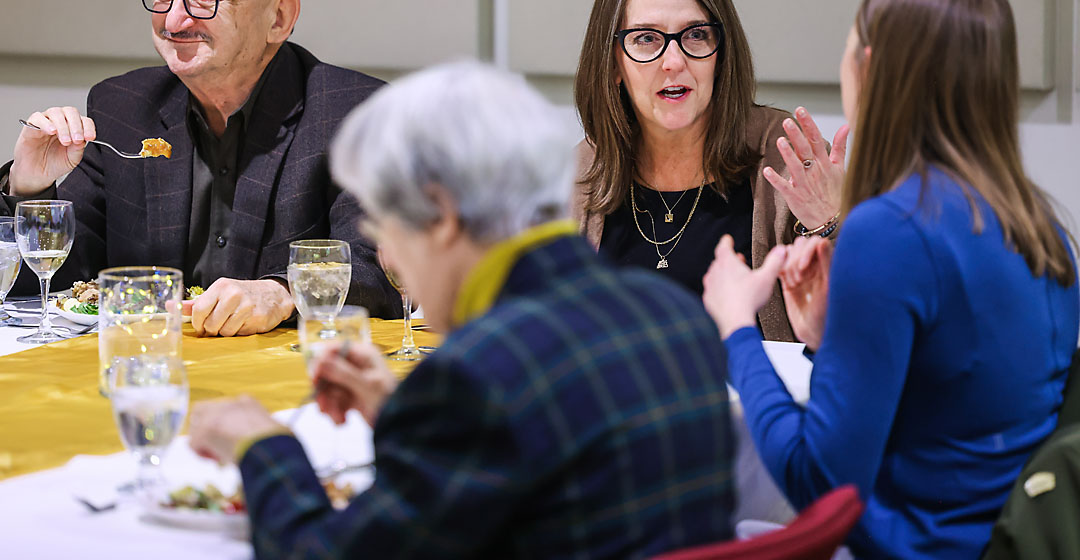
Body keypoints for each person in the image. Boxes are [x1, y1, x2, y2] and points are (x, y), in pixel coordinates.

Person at [189, 62, 737, 559]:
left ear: (441, 215)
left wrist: (260, 446)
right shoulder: (675, 313)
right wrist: (404, 415)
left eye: (385, 229)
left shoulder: (475, 378)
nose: (389, 258)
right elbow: (553, 468)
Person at [703, 0, 1079, 558]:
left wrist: (737, 328)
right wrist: (830, 338)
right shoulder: (1044, 229)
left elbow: (818, 483)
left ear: (870, 68)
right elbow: (952, 408)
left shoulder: (890, 233)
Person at [0, 0, 398, 334]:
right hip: (146, 360)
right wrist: (29, 189)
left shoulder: (354, 114)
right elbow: (44, 282)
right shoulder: (123, 108)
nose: (173, 20)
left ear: (279, 17)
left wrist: (281, 292)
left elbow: (384, 268)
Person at [571, 0, 847, 341]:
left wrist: (831, 226)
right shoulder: (580, 176)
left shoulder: (784, 154)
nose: (674, 61)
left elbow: (864, 325)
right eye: (646, 38)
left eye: (696, 35)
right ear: (614, 63)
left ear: (721, 55)